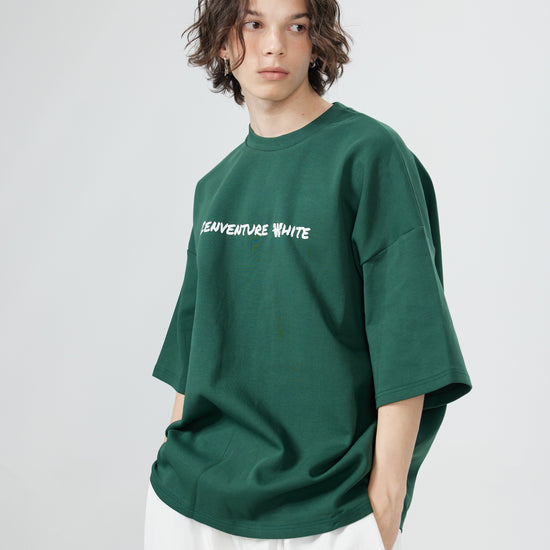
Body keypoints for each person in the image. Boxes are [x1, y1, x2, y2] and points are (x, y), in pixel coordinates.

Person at [144, 0, 473, 549]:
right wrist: (169, 459)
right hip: (191, 502)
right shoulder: (215, 187)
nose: (273, 45)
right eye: (253, 24)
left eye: (295, 26)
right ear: (222, 42)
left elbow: (408, 342)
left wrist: (386, 503)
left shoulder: (368, 155)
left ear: (316, 42)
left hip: (328, 508)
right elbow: (191, 358)